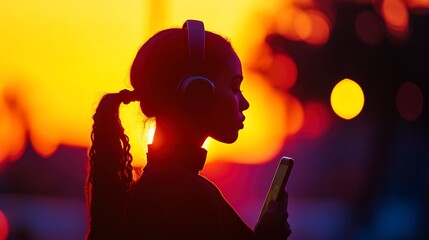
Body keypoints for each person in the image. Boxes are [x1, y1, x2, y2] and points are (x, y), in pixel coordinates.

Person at [86, 20, 291, 240]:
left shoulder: (159, 185)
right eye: (234, 88)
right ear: (197, 93)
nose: (244, 103)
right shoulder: (188, 194)